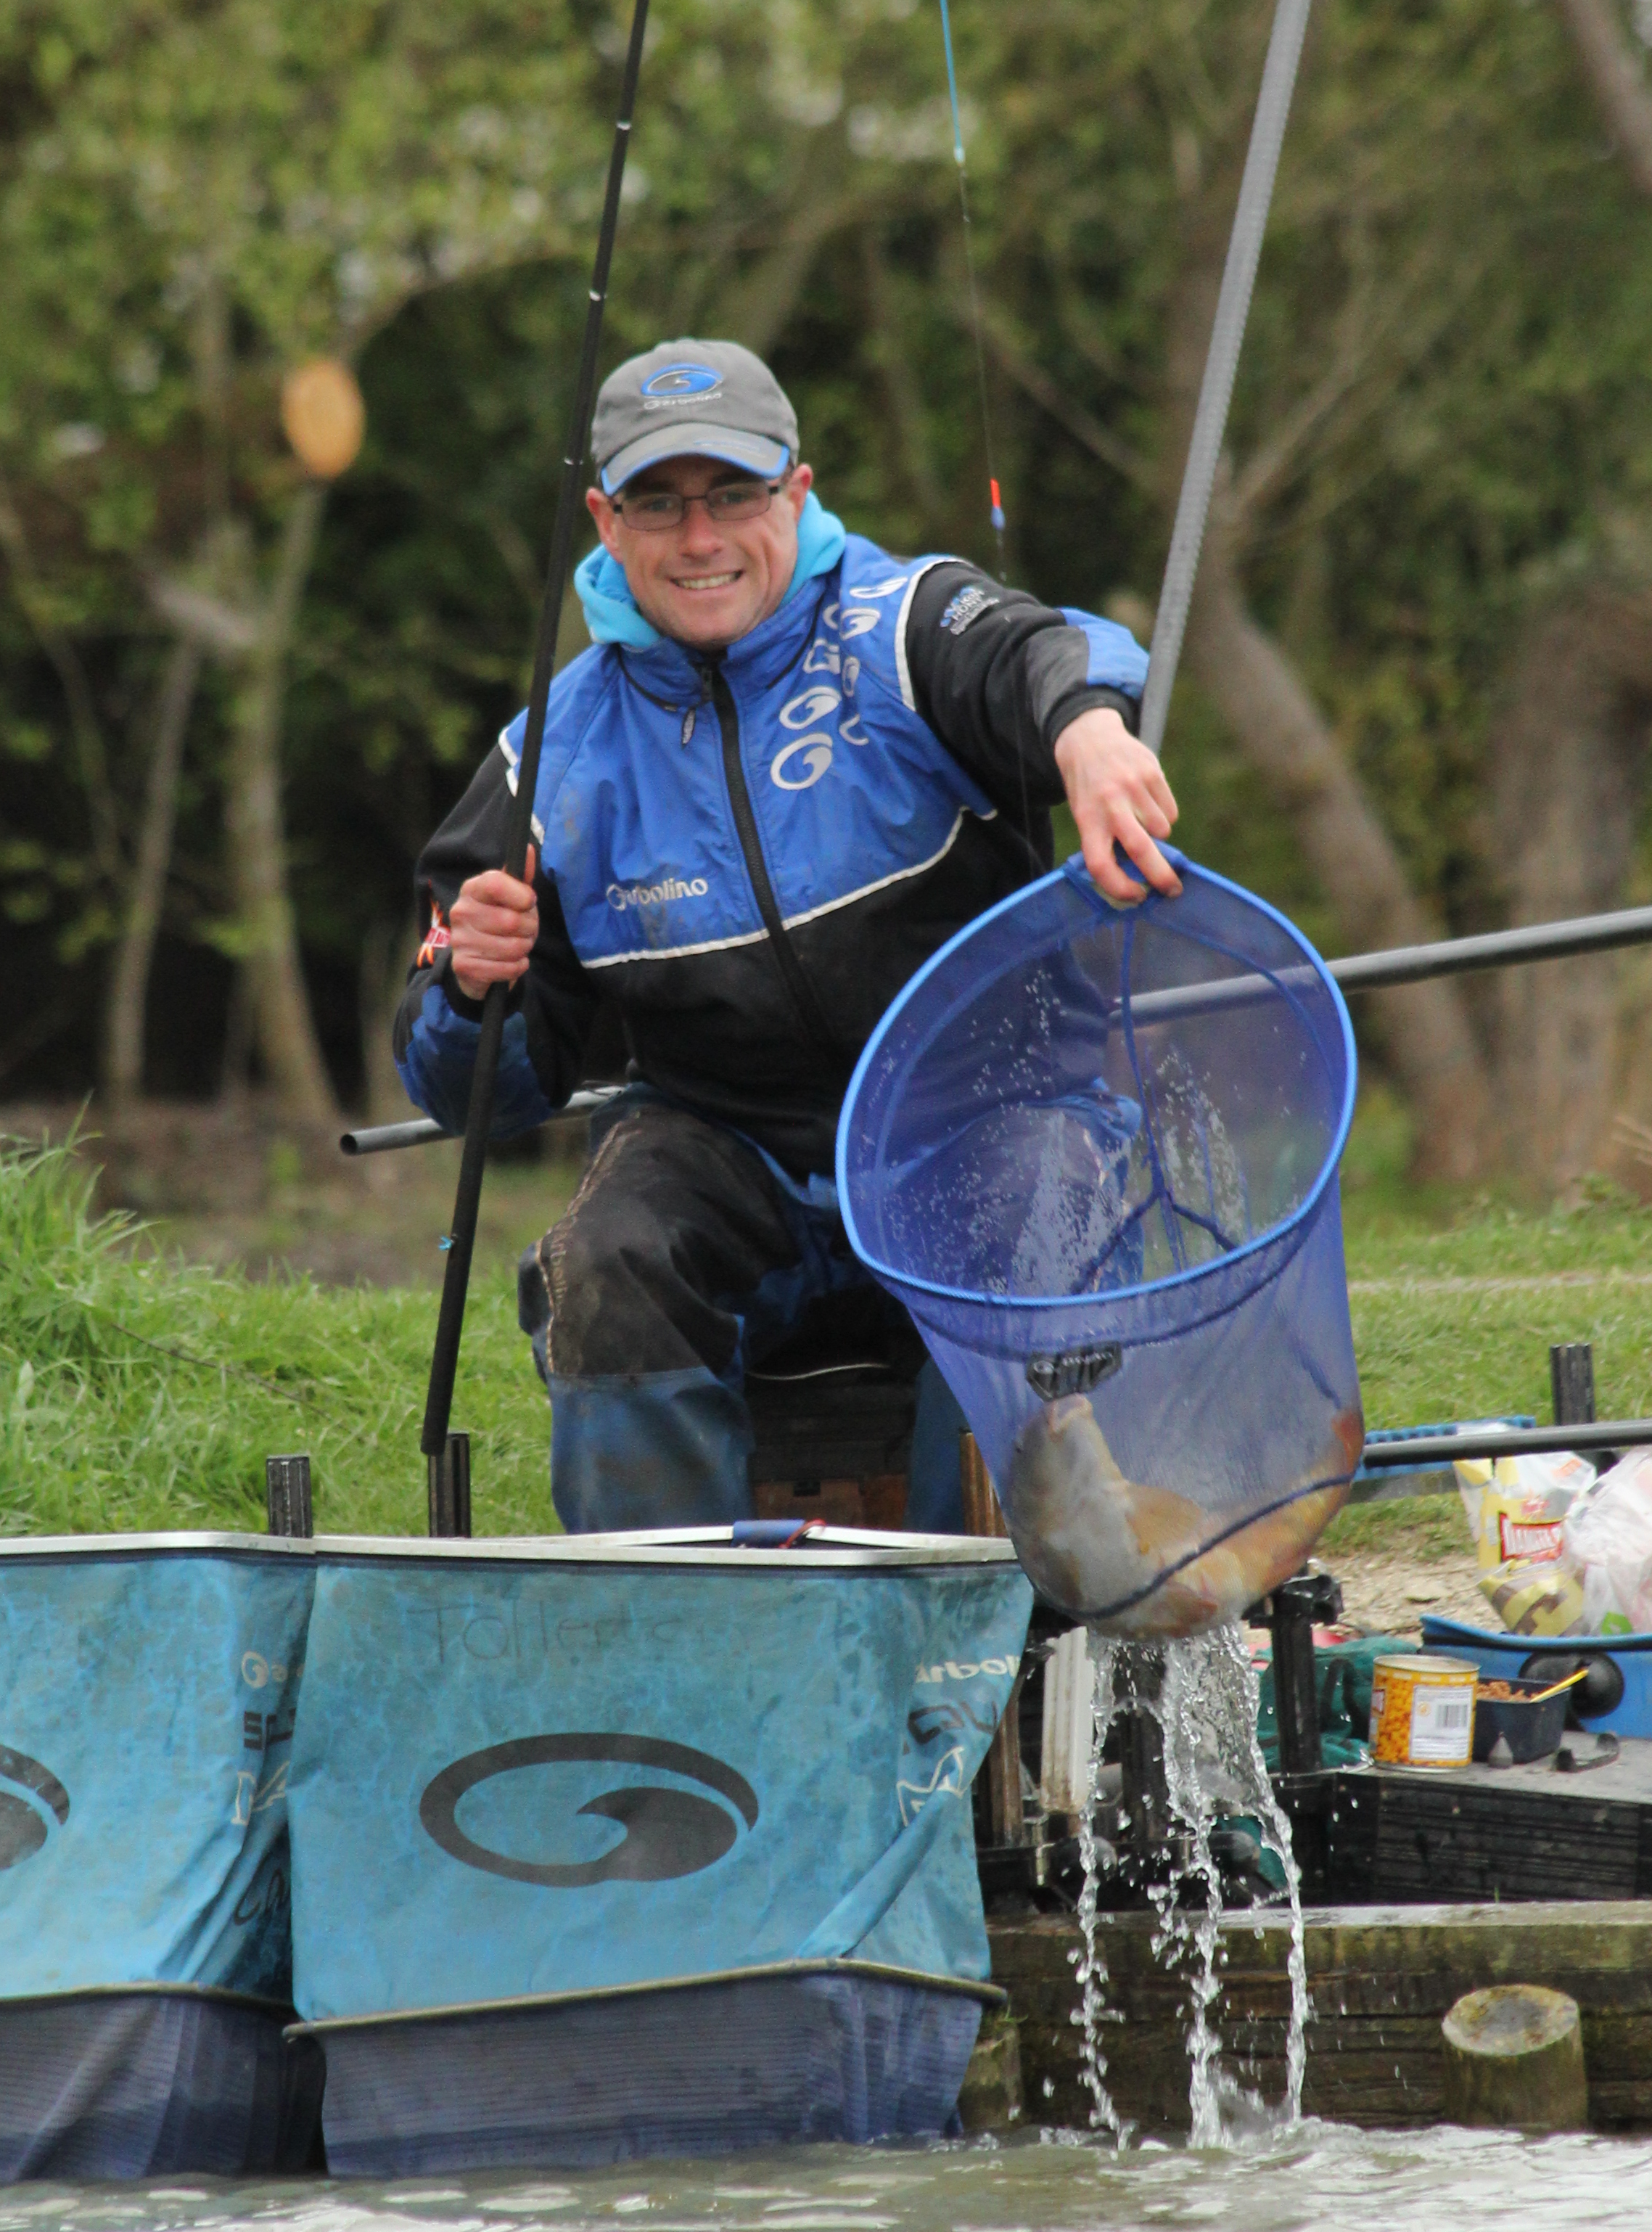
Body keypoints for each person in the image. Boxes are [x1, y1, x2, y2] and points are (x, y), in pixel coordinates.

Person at [394, 339, 1182, 1531]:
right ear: (606, 523)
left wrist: (1084, 732)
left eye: (734, 496)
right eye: (660, 503)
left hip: (991, 1123)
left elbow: (1040, 647)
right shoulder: (545, 760)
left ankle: (959, 1653)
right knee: (603, 1262)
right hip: (730, 1159)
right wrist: (469, 992)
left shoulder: (903, 623)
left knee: (1043, 1217)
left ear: (797, 494)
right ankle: (678, 1670)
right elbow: (476, 1098)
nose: (699, 538)